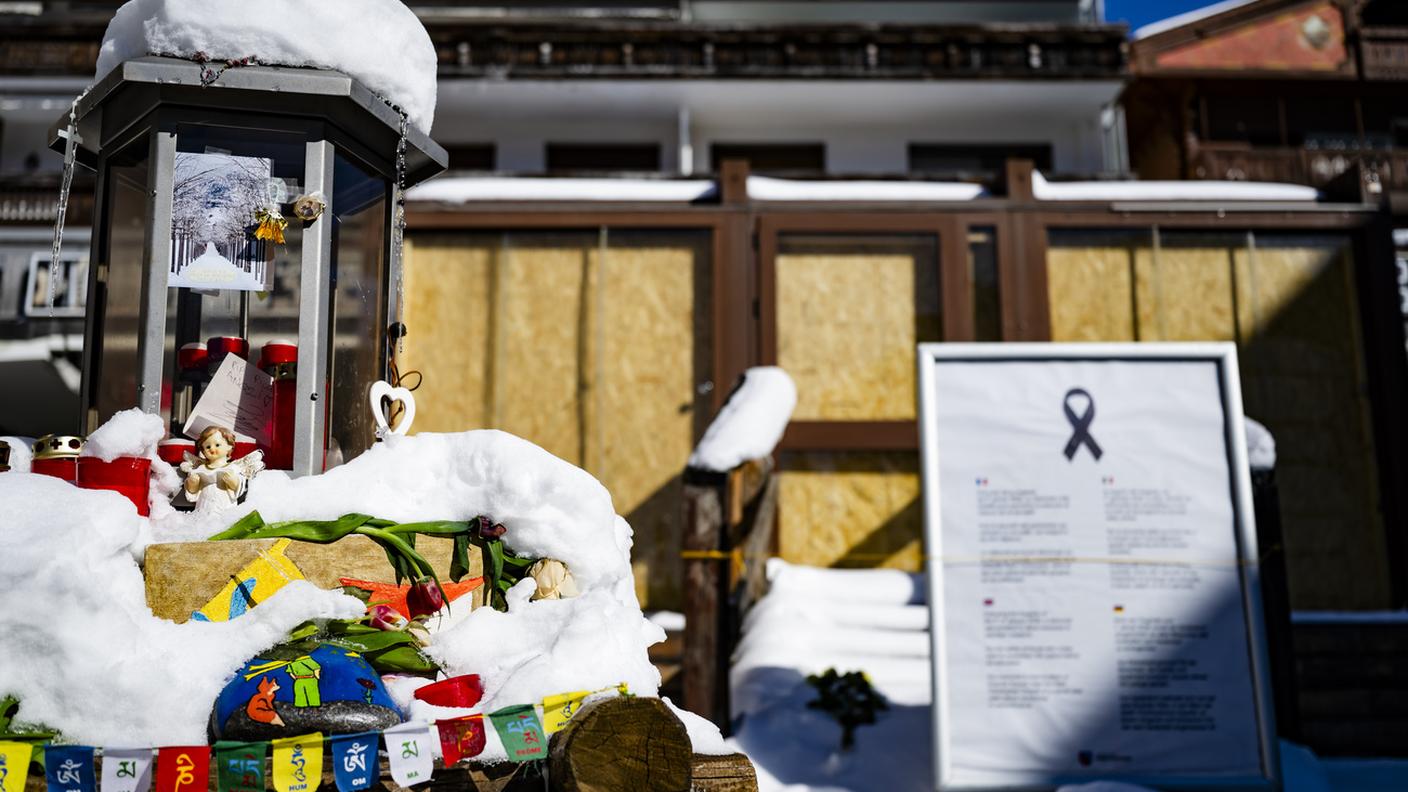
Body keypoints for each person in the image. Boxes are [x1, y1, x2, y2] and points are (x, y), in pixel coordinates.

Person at [181, 425, 263, 515]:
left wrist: (233, 482)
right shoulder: (200, 468)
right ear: (203, 450)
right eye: (208, 447)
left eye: (217, 445)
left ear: (229, 446)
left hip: (224, 507)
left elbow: (238, 487)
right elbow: (193, 492)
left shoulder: (232, 468)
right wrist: (193, 484)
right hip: (204, 506)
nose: (212, 448)